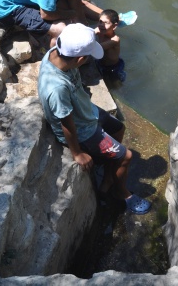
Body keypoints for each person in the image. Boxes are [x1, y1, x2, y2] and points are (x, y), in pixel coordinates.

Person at [37, 23, 151, 215]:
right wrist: (77, 153)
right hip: (82, 129)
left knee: (118, 129)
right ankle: (121, 192)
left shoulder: (55, 52)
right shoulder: (57, 88)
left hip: (86, 110)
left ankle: (109, 175)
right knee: (127, 156)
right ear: (80, 58)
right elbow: (67, 125)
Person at [95, 9, 126, 83]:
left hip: (113, 68)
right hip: (101, 62)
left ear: (114, 26)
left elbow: (96, 48)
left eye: (106, 23)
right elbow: (89, 34)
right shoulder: (100, 30)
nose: (102, 25)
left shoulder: (115, 40)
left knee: (114, 84)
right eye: (100, 21)